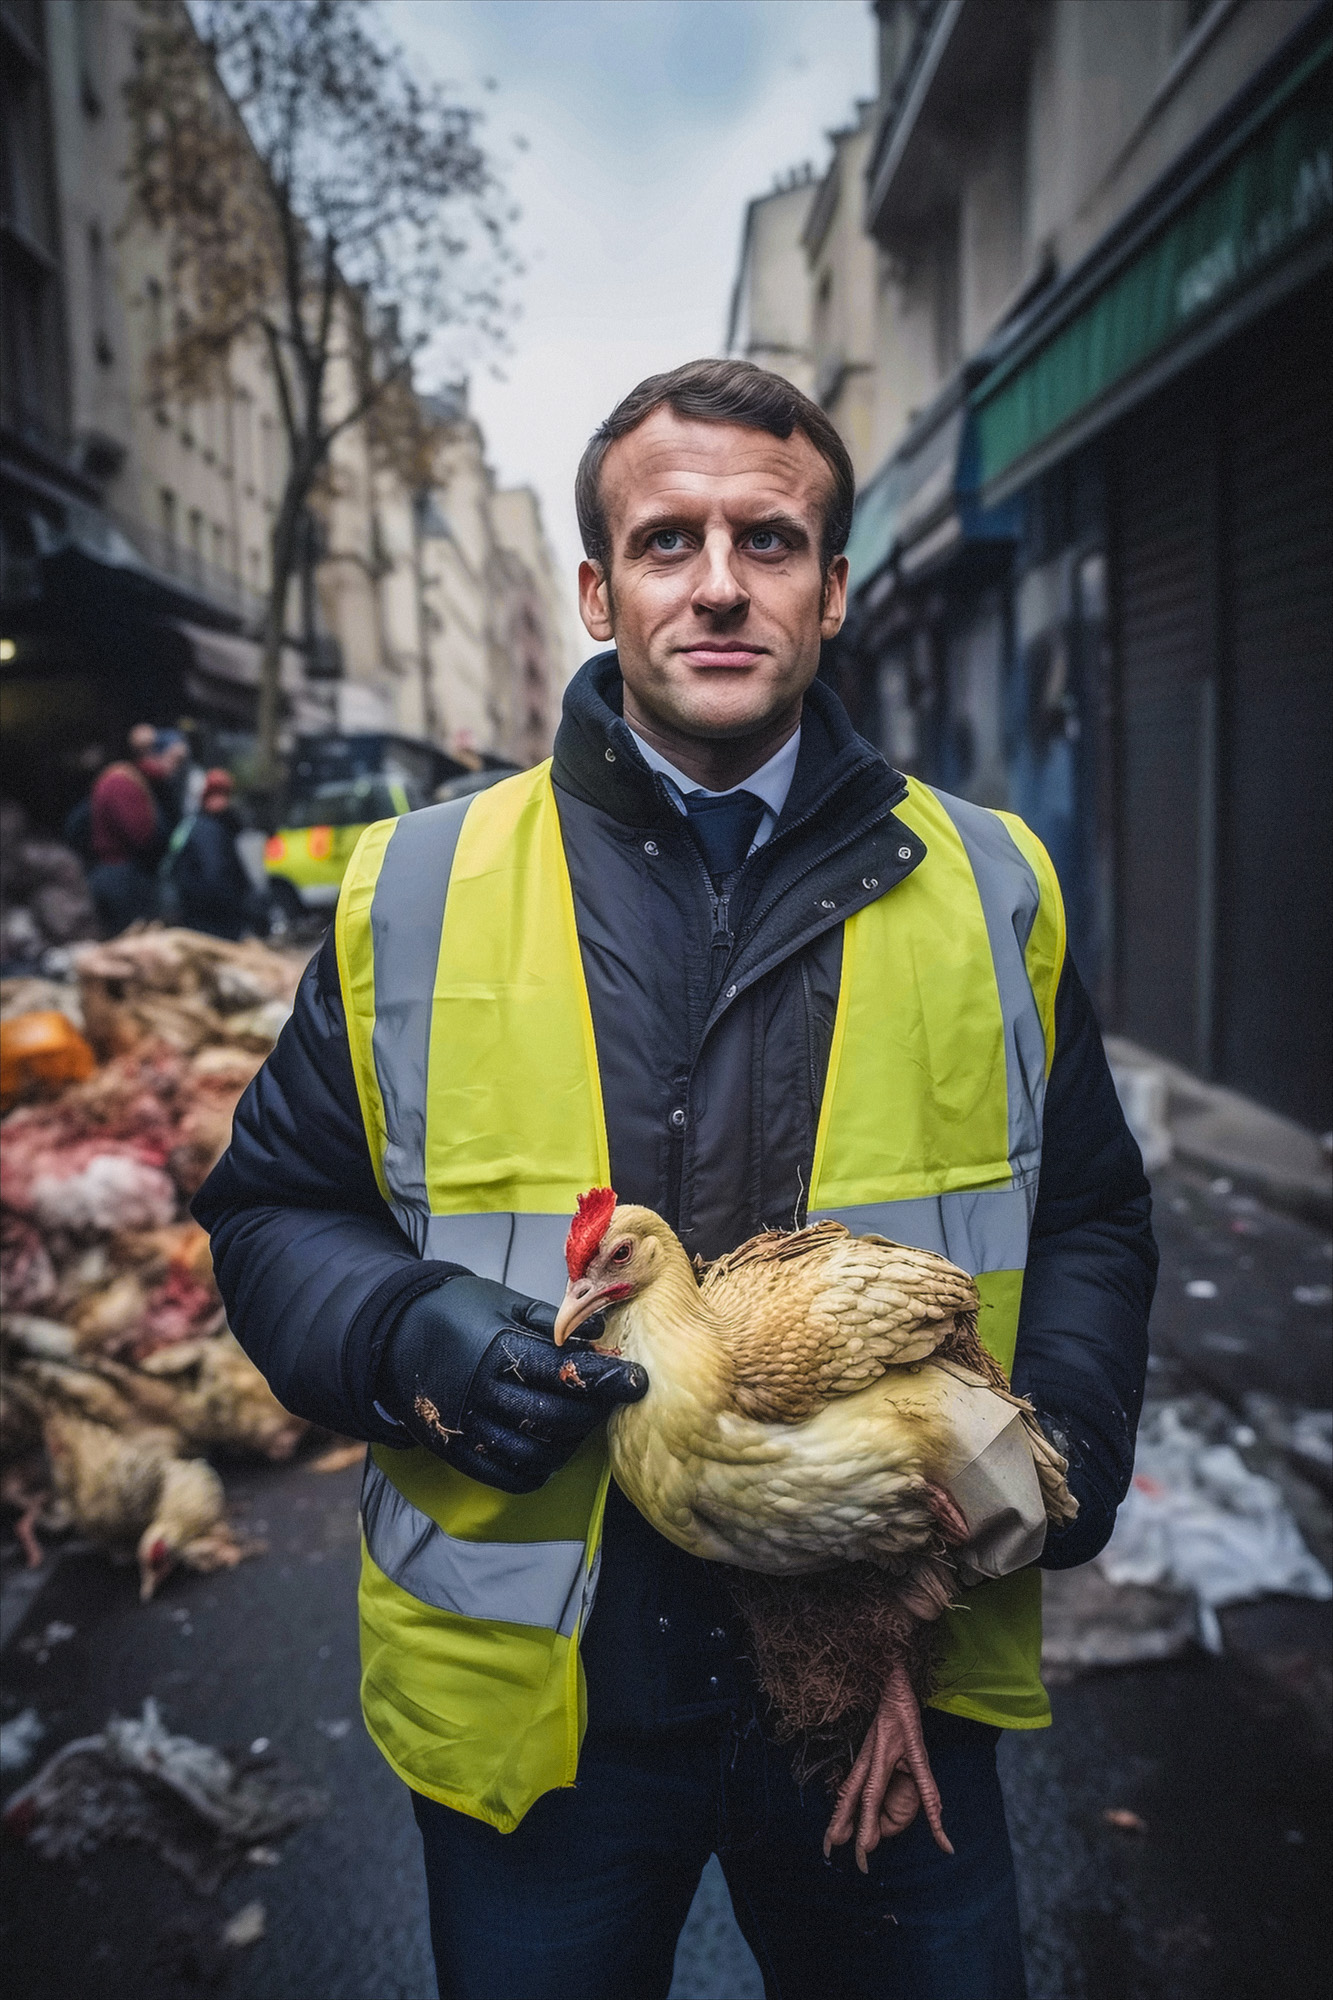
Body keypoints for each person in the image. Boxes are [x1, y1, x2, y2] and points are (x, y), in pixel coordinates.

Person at [195, 359, 1156, 2000]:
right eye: (665, 543)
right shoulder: (414, 888)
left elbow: (1082, 1212)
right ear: (594, 587)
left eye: (768, 541)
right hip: (549, 1722)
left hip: (887, 1681)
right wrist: (411, 1338)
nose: (717, 583)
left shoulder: (992, 884)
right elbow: (275, 1210)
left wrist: (1055, 1441)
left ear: (836, 588)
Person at [85, 724, 177, 934]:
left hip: (116, 872)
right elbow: (141, 835)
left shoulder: (123, 779)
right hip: (121, 874)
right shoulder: (122, 782)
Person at [166, 768, 254, 940]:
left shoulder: (204, 825)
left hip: (204, 915)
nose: (221, 801)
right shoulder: (208, 830)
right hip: (211, 919)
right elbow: (213, 875)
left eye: (224, 794)